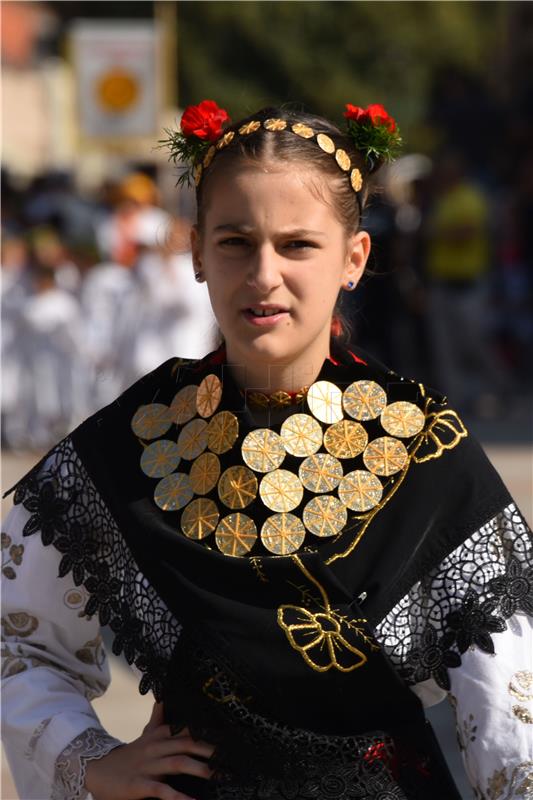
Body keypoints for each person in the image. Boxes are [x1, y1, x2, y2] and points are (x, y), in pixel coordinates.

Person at [2, 100, 532, 800]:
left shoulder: (422, 445)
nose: (263, 272)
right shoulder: (132, 440)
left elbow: (509, 704)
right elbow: (21, 641)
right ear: (196, 251)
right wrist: (89, 759)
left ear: (353, 258)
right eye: (234, 241)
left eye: (296, 245)